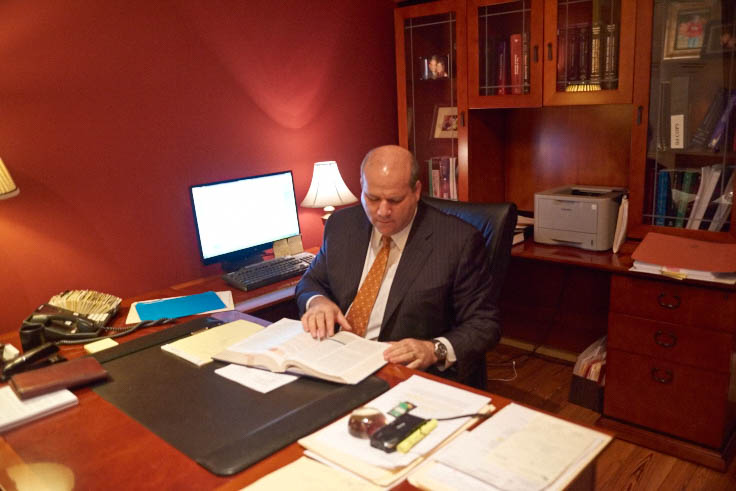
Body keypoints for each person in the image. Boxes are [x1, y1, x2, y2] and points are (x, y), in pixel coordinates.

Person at [296, 145, 500, 388]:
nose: (383, 212)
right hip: (335, 356)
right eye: (373, 198)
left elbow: (484, 324)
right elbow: (311, 282)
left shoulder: (458, 241)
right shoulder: (341, 225)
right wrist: (318, 302)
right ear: (362, 187)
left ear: (416, 191)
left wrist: (434, 349)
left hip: (401, 372)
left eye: (395, 200)